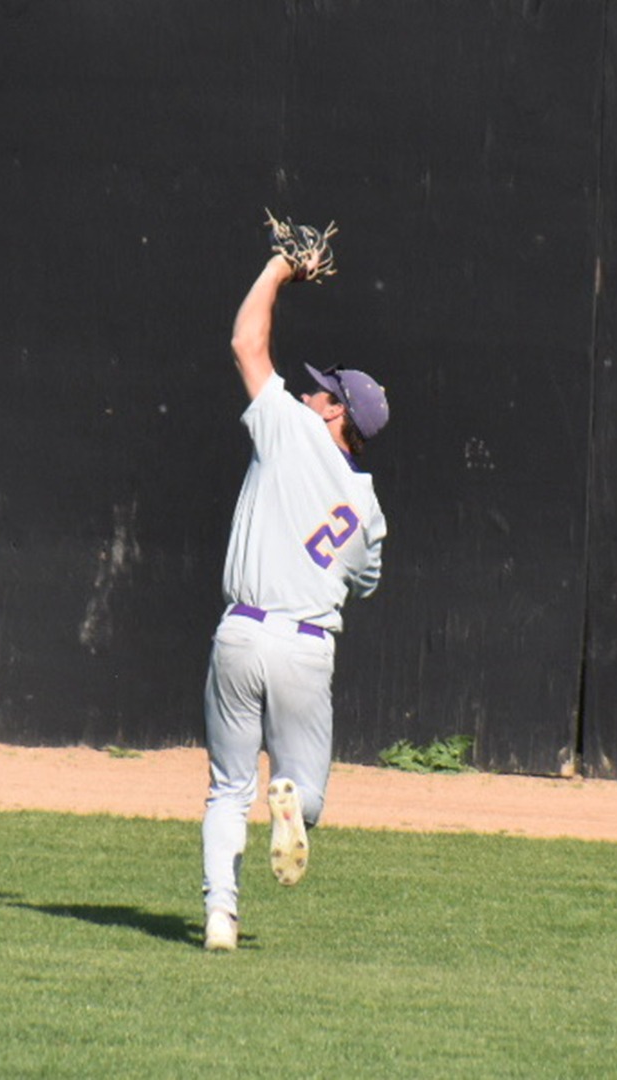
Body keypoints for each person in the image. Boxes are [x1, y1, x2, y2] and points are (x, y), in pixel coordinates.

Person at [201, 250, 389, 952]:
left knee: (226, 787)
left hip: (243, 634)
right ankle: (292, 806)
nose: (310, 393)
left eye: (322, 391)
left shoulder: (290, 426)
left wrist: (281, 266)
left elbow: (247, 341)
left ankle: (221, 912)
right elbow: (364, 581)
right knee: (306, 794)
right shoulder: (368, 508)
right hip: (308, 645)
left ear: (336, 412)